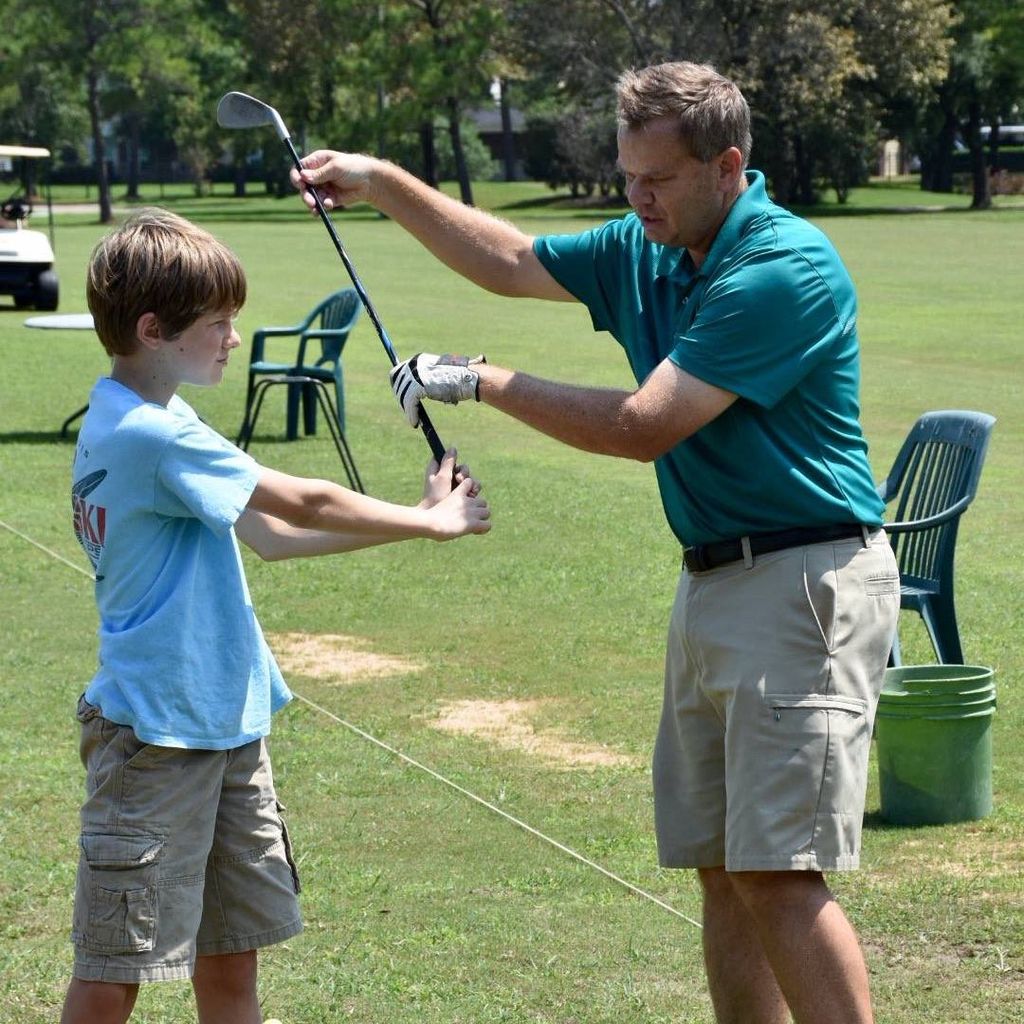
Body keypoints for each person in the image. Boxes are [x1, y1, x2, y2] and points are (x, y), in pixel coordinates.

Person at [293, 61, 900, 1024]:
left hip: (805, 585)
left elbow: (641, 425)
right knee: (721, 871)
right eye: (626, 177)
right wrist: (380, 182)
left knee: (778, 874)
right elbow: (508, 259)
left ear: (727, 166)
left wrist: (478, 379)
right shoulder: (652, 245)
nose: (635, 198)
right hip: (713, 582)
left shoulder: (783, 267)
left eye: (655, 179)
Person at [62, 208, 490, 1024]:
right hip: (154, 743)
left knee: (230, 964)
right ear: (154, 330)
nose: (233, 336)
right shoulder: (148, 435)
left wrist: (409, 524)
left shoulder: (161, 420)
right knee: (114, 970)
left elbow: (274, 536)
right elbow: (305, 496)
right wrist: (430, 520)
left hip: (225, 731)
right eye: (218, 323)